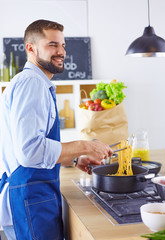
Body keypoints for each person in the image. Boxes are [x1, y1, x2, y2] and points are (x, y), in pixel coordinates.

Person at [0, 19, 113, 240]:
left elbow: (28, 146)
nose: (61, 52)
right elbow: (29, 151)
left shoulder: (35, 83)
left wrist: (72, 159)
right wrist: (86, 146)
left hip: (32, 196)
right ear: (30, 48)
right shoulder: (31, 83)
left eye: (63, 45)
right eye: (52, 45)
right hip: (30, 199)